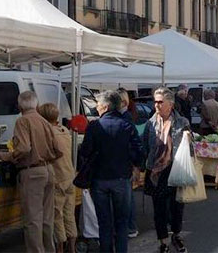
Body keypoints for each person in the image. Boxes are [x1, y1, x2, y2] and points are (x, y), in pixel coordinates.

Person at [79, 90, 144, 253]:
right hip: (121, 178)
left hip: (99, 179)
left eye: (98, 105)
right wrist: (134, 164)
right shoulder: (126, 125)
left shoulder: (94, 126)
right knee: (121, 222)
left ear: (106, 107)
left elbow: (85, 151)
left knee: (104, 222)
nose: (97, 108)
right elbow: (139, 152)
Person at [1, 91, 62, 253]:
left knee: (32, 220)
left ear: (20, 105)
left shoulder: (23, 121)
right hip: (48, 170)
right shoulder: (45, 121)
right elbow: (59, 150)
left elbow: (24, 148)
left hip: (32, 172)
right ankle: (49, 250)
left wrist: (9, 156)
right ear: (36, 104)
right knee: (47, 219)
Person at [142, 87, 192, 253]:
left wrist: (189, 139)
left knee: (177, 207)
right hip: (157, 172)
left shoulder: (182, 122)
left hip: (176, 169)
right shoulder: (150, 123)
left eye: (160, 102)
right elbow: (145, 147)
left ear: (170, 104)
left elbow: (190, 148)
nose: (156, 105)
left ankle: (176, 235)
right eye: (155, 101)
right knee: (159, 209)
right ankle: (163, 241)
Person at [37, 103, 77, 253]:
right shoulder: (64, 130)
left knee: (57, 215)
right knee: (69, 213)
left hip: (57, 178)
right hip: (69, 175)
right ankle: (72, 247)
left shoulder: (48, 133)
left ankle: (60, 247)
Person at [117, 88, 140, 239]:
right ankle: (130, 226)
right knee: (128, 196)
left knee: (127, 197)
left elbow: (132, 144)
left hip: (126, 163)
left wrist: (136, 165)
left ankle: (131, 226)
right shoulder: (127, 117)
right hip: (127, 163)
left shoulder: (126, 118)